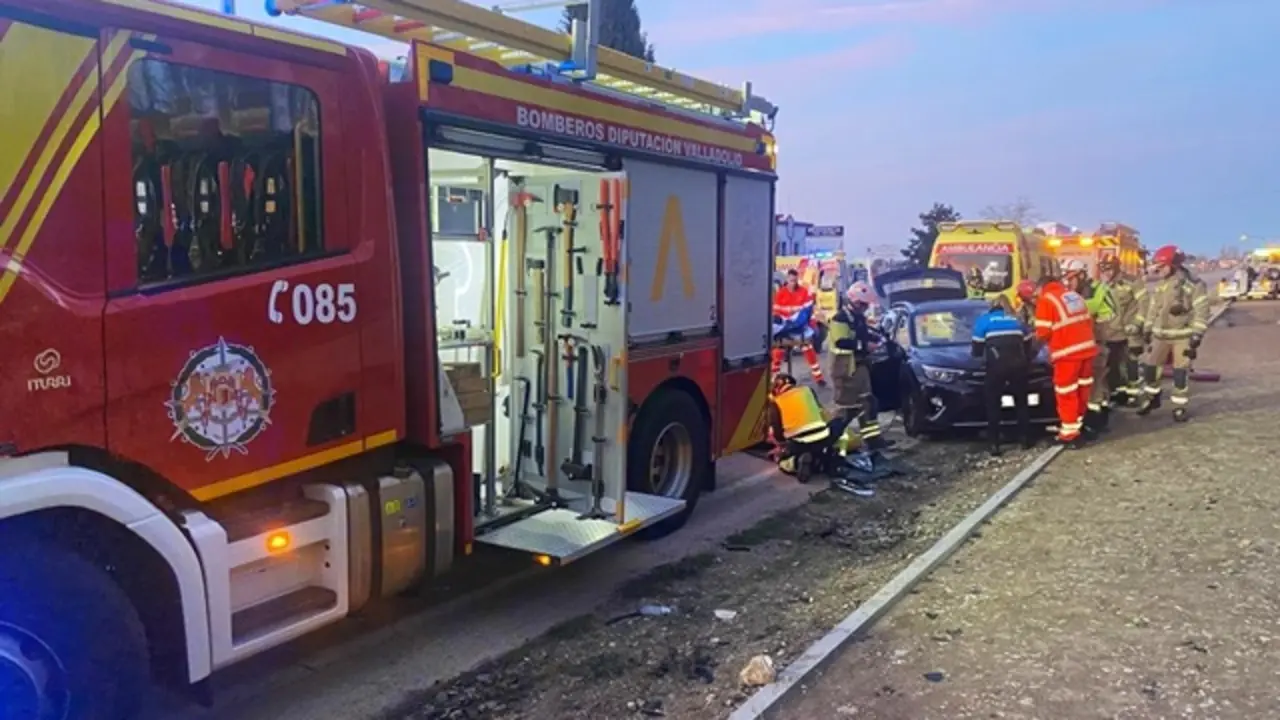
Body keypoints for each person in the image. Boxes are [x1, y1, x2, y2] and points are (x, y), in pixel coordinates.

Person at [1134, 245, 1209, 422]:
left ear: (1173, 265)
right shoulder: (1162, 284)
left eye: (1162, 266)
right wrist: (1147, 328)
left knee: (1180, 373)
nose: (1158, 270)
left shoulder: (1193, 285)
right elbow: (1154, 308)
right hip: (1160, 336)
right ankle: (1152, 398)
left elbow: (1202, 309)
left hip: (1182, 335)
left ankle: (1179, 406)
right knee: (1151, 368)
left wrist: (1197, 334)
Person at [767, 374, 874, 495]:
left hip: (798, 443)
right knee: (836, 431)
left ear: (776, 389)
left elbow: (778, 434)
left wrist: (781, 447)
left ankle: (796, 463)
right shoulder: (807, 391)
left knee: (782, 462)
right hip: (822, 437)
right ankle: (832, 460)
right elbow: (820, 412)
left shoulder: (777, 402)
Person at [827, 282, 894, 452]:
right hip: (844, 370)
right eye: (863, 304)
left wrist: (877, 338)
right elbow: (841, 341)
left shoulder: (857, 317)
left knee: (868, 403)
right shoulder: (840, 318)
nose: (865, 308)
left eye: (866, 305)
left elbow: (862, 333)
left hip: (859, 367)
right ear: (854, 301)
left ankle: (873, 440)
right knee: (846, 409)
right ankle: (828, 441)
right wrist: (865, 346)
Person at [1032, 273, 1097, 447]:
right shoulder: (1073, 296)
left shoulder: (1046, 300)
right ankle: (1078, 425)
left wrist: (1034, 343)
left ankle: (1069, 434)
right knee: (1082, 389)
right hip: (1087, 349)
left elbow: (1043, 332)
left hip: (1067, 353)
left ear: (1041, 287)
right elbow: (1088, 321)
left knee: (1066, 392)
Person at [971, 295, 1036, 455]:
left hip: (996, 367)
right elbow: (1028, 345)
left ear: (992, 307)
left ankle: (994, 444)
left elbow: (977, 350)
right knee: (1021, 403)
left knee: (993, 404)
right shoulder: (1017, 321)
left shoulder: (984, 321)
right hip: (1018, 366)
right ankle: (1025, 439)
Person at [1063, 259, 1116, 434]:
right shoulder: (1071, 294)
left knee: (1094, 383)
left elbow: (1109, 314)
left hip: (1097, 343)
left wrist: (1092, 326)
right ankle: (1098, 416)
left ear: (1081, 276)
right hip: (1083, 345)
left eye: (1072, 278)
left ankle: (1095, 421)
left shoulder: (1098, 290)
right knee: (1095, 383)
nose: (1069, 282)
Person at [1094, 256, 1146, 407]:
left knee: (1131, 364)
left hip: (1130, 331)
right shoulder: (1100, 285)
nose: (1107, 273)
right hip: (1110, 333)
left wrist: (1137, 323)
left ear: (1116, 268)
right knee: (1112, 365)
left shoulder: (1132, 282)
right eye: (1104, 270)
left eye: (1109, 269)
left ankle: (1134, 394)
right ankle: (1117, 394)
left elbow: (1144, 303)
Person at [771, 269, 825, 385]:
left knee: (808, 348)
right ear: (787, 280)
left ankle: (819, 377)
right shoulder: (780, 293)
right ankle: (773, 378)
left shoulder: (804, 292)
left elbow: (808, 313)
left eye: (795, 281)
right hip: (785, 327)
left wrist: (812, 326)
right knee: (778, 351)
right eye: (791, 281)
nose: (793, 283)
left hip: (799, 327)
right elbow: (776, 313)